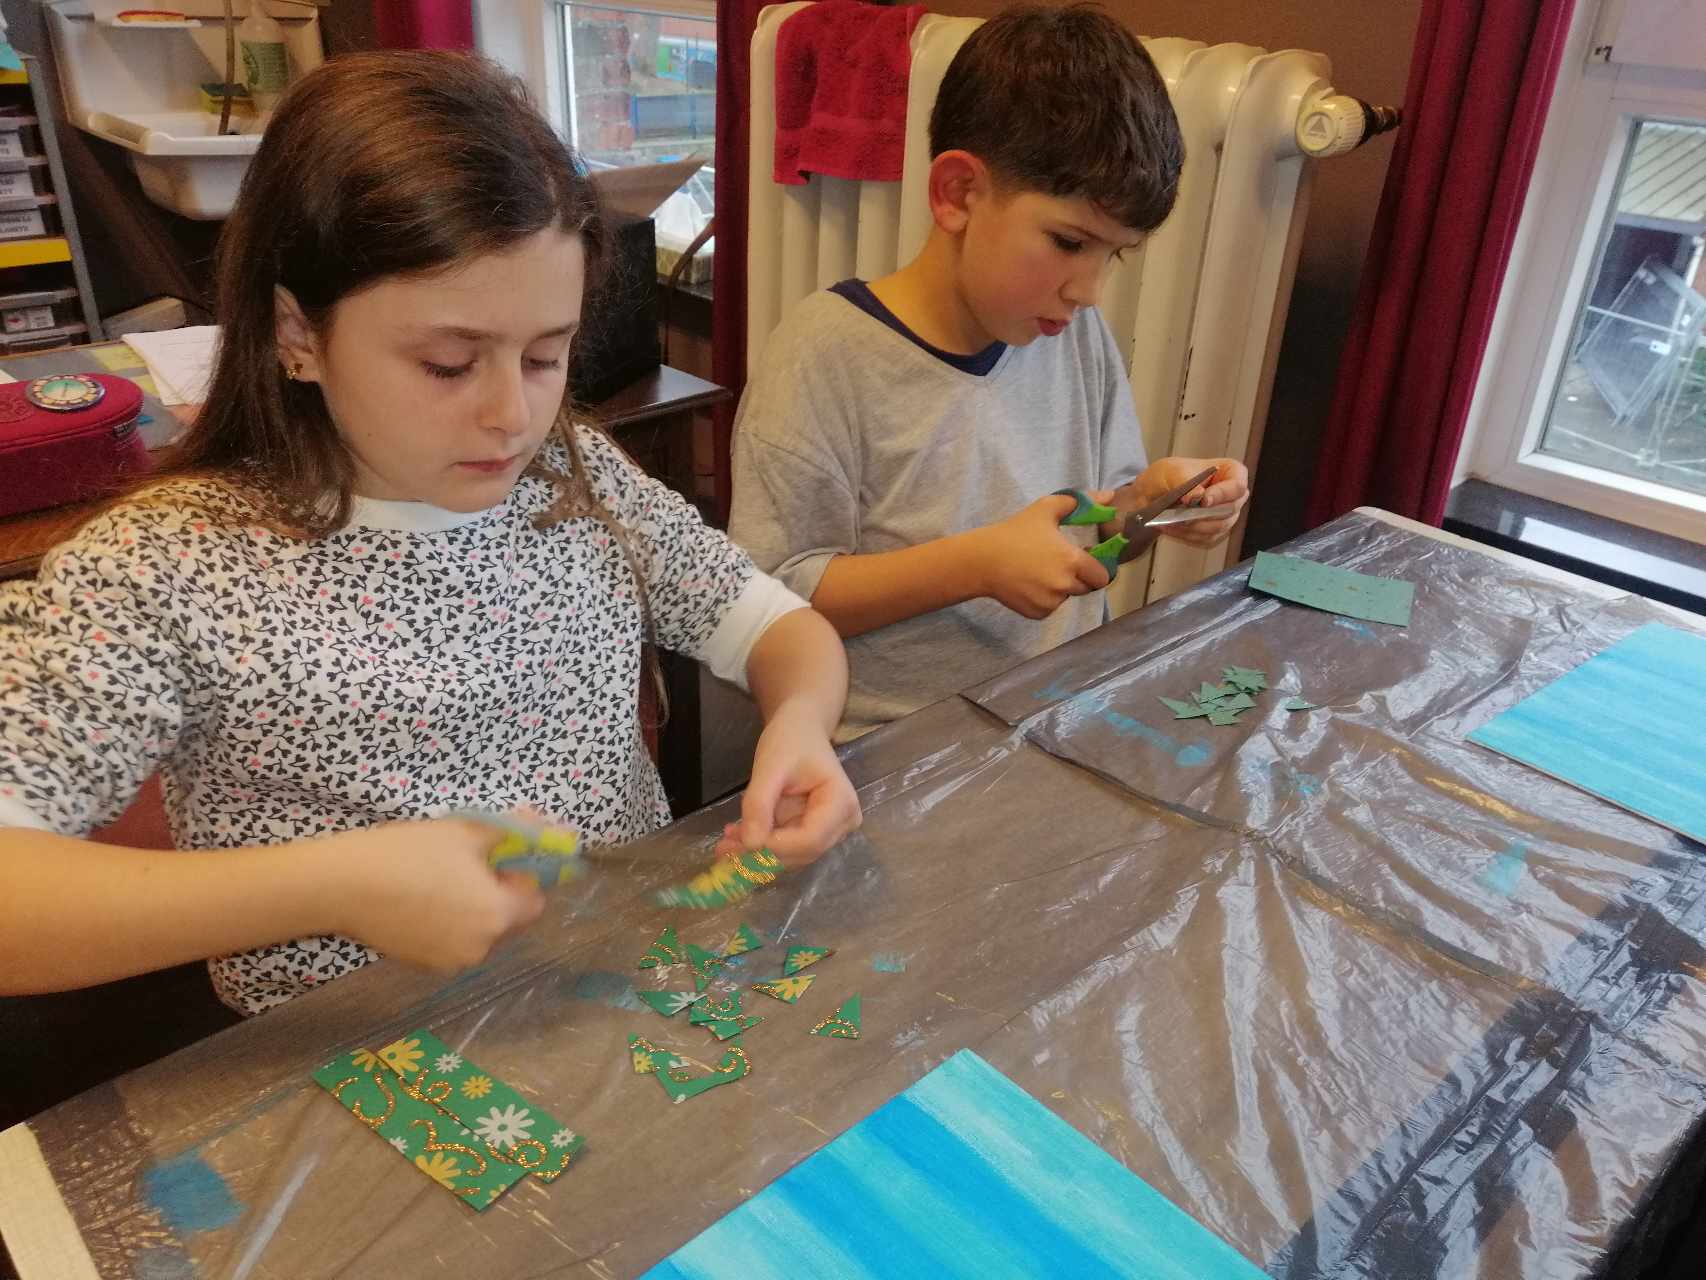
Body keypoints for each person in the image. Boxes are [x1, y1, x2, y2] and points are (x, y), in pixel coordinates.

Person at [0, 52, 860, 1016]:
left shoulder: (575, 475)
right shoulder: (164, 568)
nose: (511, 417)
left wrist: (799, 725)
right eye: (449, 365)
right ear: (297, 334)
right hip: (358, 1053)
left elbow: (778, 627)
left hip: (619, 988)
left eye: (545, 356)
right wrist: (333, 887)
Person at [730, 4, 1252, 740]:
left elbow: (1100, 522)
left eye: (1115, 254)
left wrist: (1150, 503)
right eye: (1069, 242)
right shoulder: (823, 356)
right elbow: (770, 597)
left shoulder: (1076, 335)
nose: (1089, 290)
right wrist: (975, 565)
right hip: (891, 747)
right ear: (958, 194)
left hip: (1058, 712)